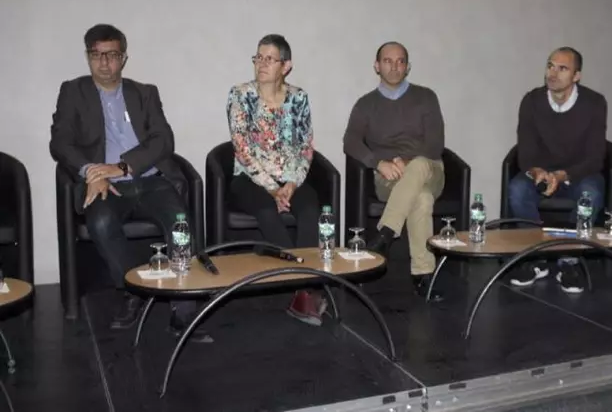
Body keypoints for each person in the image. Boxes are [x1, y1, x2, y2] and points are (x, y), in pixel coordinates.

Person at [50, 24, 212, 343]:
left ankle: (183, 313)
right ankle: (133, 290)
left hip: (149, 179)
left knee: (181, 226)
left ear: (124, 58)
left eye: (111, 55)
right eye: (96, 55)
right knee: (100, 221)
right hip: (106, 187)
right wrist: (91, 172)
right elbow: (60, 142)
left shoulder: (144, 92)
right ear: (88, 57)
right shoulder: (73, 91)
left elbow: (163, 141)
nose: (104, 62)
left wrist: (121, 166)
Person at [227, 34, 323, 325]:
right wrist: (272, 188)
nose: (261, 64)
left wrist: (291, 183)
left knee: (310, 209)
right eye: (258, 57)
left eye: (269, 58)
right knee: (268, 212)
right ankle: (306, 287)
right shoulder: (240, 94)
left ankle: (302, 290)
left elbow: (305, 146)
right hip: (250, 179)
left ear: (286, 65)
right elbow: (242, 150)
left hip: (290, 178)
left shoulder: (299, 97)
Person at [343, 41, 446, 301]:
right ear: (377, 66)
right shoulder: (366, 104)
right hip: (390, 177)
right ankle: (423, 275)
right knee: (421, 199)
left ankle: (385, 234)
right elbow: (350, 141)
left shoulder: (426, 97)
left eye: (400, 61)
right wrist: (378, 162)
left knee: (421, 165)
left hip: (430, 169)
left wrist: (409, 161)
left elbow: (435, 144)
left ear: (408, 66)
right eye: (388, 61)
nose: (395, 66)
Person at [507, 46, 607, 293]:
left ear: (576, 76)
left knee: (591, 194)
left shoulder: (594, 103)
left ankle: (569, 261)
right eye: (550, 66)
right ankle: (535, 257)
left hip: (579, 175)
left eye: (562, 68)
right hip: (541, 174)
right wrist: (538, 172)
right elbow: (525, 152)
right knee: (517, 189)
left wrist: (562, 176)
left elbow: (595, 158)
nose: (553, 73)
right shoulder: (532, 101)